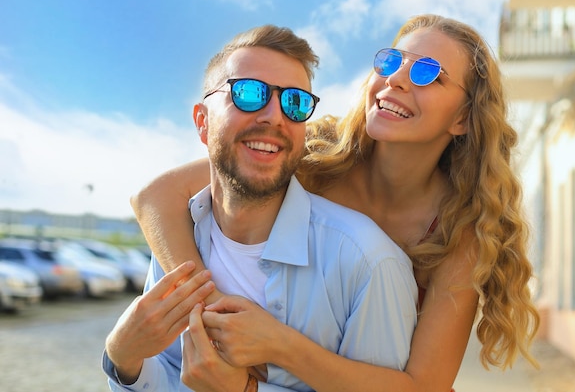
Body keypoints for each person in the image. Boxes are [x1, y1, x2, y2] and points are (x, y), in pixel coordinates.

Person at [131, 14, 540, 392]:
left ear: (463, 119)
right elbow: (154, 196)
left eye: (427, 73)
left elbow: (423, 386)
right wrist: (209, 305)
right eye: (391, 61)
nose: (397, 79)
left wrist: (277, 345)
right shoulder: (314, 158)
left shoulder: (459, 228)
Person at [102, 25, 418, 392]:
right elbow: (170, 375)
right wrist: (123, 361)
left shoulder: (368, 263)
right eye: (249, 94)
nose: (274, 116)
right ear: (203, 122)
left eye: (295, 102)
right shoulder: (179, 238)